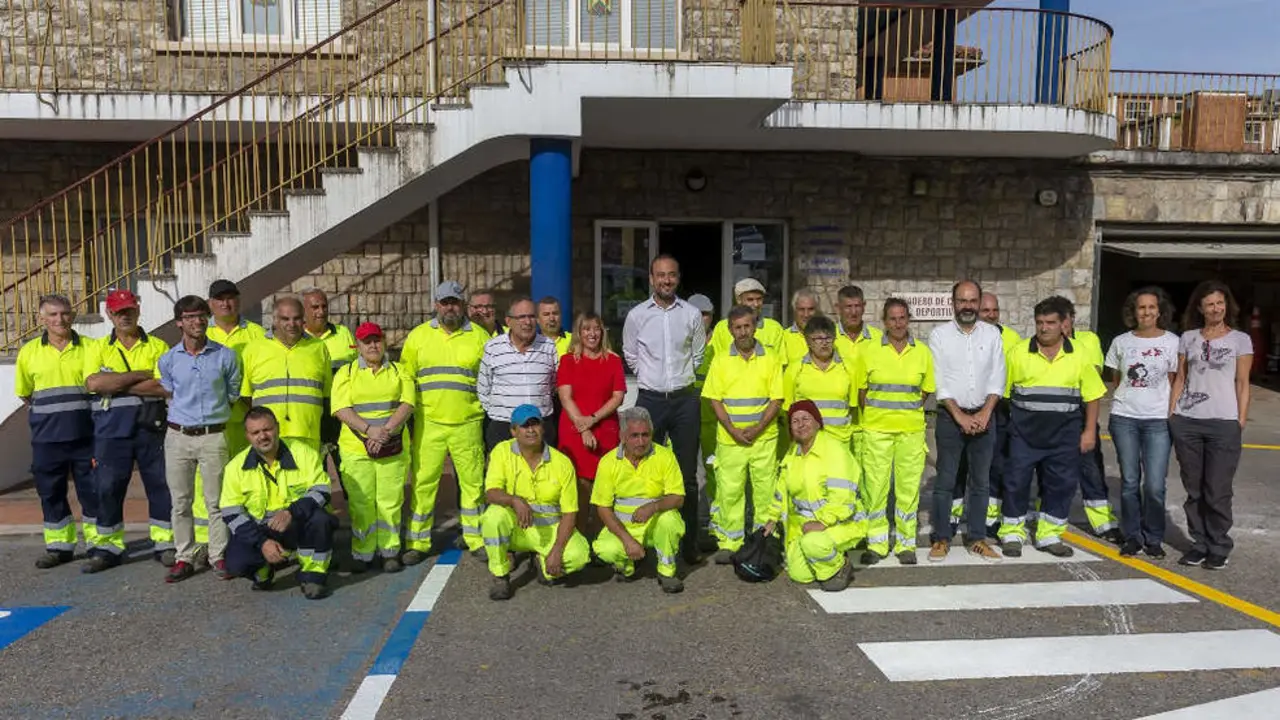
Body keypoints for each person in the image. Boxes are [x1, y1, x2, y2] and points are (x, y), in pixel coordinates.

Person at [999, 296, 1105, 558]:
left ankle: (1049, 535)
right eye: (1039, 322)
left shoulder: (1079, 354)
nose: (1044, 328)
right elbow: (1002, 394)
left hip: (1064, 436)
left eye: (1050, 322)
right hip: (1024, 434)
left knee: (1061, 484)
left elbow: (1092, 395)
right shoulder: (1018, 353)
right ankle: (1012, 534)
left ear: (1063, 325)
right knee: (1016, 482)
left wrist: (1089, 431)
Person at [81, 289, 172, 573]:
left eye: (129, 310)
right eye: (119, 312)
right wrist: (139, 375)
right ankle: (107, 548)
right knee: (107, 488)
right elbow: (94, 384)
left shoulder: (158, 346)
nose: (125, 316)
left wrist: (116, 381)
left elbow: (165, 386)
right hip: (111, 431)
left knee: (160, 486)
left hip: (151, 427)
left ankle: (165, 543)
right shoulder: (97, 348)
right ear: (110, 314)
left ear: (138, 310)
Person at [399, 281, 490, 562]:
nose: (449, 307)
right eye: (444, 302)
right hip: (429, 423)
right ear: (436, 304)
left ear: (463, 304)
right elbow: (405, 379)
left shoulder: (480, 337)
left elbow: (489, 381)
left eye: (454, 302)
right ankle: (418, 542)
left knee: (473, 484)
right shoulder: (417, 337)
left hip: (467, 422)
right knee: (424, 484)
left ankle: (475, 538)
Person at [623, 255, 705, 563]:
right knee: (646, 472)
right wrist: (649, 378)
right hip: (651, 400)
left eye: (671, 275)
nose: (666, 280)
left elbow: (697, 355)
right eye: (660, 275)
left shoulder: (692, 314)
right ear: (651, 278)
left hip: (684, 400)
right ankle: (646, 541)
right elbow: (630, 354)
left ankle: (688, 544)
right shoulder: (636, 315)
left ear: (678, 278)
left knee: (686, 476)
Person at [156, 295, 243, 582]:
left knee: (216, 500)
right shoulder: (168, 360)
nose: (198, 322)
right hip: (178, 436)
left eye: (202, 316)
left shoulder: (226, 356)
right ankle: (184, 556)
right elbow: (169, 393)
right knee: (180, 501)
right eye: (191, 317)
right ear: (179, 322)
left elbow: (232, 394)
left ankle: (218, 556)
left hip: (213, 436)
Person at [1169, 280, 1252, 570]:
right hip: (1188, 421)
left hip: (1224, 423)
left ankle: (1219, 545)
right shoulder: (1189, 338)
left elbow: (1243, 383)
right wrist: (1173, 415)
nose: (1215, 308)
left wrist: (1239, 420)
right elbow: (1180, 378)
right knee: (1194, 489)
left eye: (1220, 303)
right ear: (1200, 309)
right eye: (1209, 304)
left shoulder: (1240, 340)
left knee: (1217, 489)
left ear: (1226, 305)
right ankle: (1199, 543)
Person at [221, 407, 339, 599]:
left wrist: (291, 512)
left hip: (296, 521)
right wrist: (262, 543)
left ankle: (313, 575)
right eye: (256, 432)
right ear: (247, 436)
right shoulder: (235, 467)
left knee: (321, 520)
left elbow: (322, 490)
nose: (263, 436)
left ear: (277, 428)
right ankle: (264, 571)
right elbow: (231, 512)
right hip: (261, 529)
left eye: (267, 429)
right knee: (236, 563)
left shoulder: (303, 453)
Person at [14, 294, 96, 569]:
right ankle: (60, 546)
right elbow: (26, 394)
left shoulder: (91, 347)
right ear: (41, 318)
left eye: (64, 314)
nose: (59, 320)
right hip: (47, 439)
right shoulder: (29, 352)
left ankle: (99, 545)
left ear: (72, 315)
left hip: (87, 435)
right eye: (52, 315)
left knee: (93, 492)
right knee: (50, 493)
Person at [927, 281, 1005, 563]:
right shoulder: (939, 336)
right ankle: (941, 539)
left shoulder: (993, 335)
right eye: (962, 300)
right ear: (953, 303)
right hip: (951, 417)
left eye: (972, 300)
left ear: (979, 301)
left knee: (981, 482)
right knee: (945, 481)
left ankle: (977, 538)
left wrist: (985, 412)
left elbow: (998, 376)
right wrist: (959, 415)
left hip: (986, 415)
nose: (968, 306)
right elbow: (939, 380)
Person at [480, 405, 591, 601]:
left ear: (543, 427)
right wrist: (514, 500)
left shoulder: (562, 463)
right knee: (493, 517)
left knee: (580, 555)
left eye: (535, 424)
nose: (531, 430)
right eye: (524, 426)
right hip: (517, 529)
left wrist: (557, 550)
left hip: (550, 529)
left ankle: (544, 563)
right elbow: (491, 493)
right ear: (513, 431)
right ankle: (500, 575)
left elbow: (569, 513)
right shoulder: (501, 452)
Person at [854, 299, 934, 565]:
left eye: (902, 318)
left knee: (908, 489)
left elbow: (925, 391)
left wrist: (904, 412)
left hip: (910, 432)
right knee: (875, 489)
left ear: (908, 320)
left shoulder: (922, 352)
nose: (898, 324)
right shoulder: (869, 351)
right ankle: (876, 544)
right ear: (884, 322)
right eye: (892, 319)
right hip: (876, 431)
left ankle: (905, 543)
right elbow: (862, 392)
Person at [701, 304, 784, 563]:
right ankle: (730, 542)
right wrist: (732, 430)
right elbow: (715, 400)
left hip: (764, 439)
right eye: (738, 327)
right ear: (730, 330)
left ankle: (764, 542)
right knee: (730, 491)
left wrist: (758, 428)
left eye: (747, 325)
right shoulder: (721, 360)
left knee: (764, 492)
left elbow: (777, 398)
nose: (743, 331)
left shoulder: (770, 358)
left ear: (755, 326)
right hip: (730, 440)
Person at [331, 322, 415, 573]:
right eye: (367, 341)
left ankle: (389, 551)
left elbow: (407, 404)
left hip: (393, 447)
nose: (373, 345)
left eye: (377, 340)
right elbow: (341, 409)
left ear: (385, 341)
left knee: (390, 501)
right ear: (358, 345)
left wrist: (385, 432)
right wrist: (369, 431)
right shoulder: (345, 373)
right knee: (361, 502)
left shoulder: (400, 371)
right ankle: (363, 553)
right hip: (356, 450)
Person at [1105, 286, 1179, 559]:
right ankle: (1132, 536)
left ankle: (1154, 537)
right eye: (1141, 307)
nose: (1146, 312)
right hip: (1125, 418)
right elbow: (1117, 380)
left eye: (1151, 307)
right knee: (1129, 482)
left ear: (1160, 311)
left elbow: (1173, 382)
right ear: (1133, 312)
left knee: (1155, 485)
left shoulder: (1172, 342)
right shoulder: (1121, 342)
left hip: (1158, 420)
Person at [761, 401, 862, 590]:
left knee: (814, 544)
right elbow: (781, 490)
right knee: (799, 574)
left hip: (842, 522)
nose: (801, 424)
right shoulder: (793, 451)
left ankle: (840, 566)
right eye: (795, 421)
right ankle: (822, 557)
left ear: (817, 423)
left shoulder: (834, 450)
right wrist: (772, 518)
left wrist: (823, 523)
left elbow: (843, 498)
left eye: (806, 418)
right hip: (806, 526)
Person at [198, 279, 266, 554]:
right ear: (210, 304)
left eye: (231, 298)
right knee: (207, 482)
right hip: (209, 423)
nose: (226, 303)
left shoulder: (257, 334)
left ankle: (246, 535)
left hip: (243, 422)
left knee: (247, 478)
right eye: (219, 299)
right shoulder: (201, 332)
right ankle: (206, 541)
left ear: (239, 300)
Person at [591, 406, 686, 593]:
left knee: (670, 521)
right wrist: (627, 540)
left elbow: (678, 498)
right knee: (605, 549)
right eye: (635, 436)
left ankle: (667, 572)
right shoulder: (608, 462)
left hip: (654, 525)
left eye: (646, 435)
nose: (641, 442)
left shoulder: (665, 456)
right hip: (623, 527)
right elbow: (603, 508)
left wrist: (654, 507)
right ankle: (627, 565)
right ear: (623, 436)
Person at [953, 291, 1023, 537]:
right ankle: (954, 515)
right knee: (960, 465)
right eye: (986, 311)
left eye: (995, 311)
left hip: (1000, 409)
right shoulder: (962, 337)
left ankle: (990, 518)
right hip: (966, 407)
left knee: (995, 466)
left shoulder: (1013, 339)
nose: (991, 315)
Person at [555, 311, 626, 537]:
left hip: (605, 429)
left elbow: (618, 396)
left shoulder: (613, 360)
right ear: (579, 332)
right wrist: (583, 427)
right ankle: (577, 539)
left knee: (603, 487)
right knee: (578, 487)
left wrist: (593, 420)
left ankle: (600, 540)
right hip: (574, 431)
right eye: (586, 329)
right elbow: (565, 397)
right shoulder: (568, 361)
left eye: (596, 329)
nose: (592, 334)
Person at [1061, 300, 1120, 542]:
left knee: (1091, 469)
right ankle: (1045, 516)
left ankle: (1103, 522)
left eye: (1065, 319)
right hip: (1054, 415)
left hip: (1083, 414)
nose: (1062, 326)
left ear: (1073, 319)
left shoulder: (1088, 340)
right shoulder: (1043, 343)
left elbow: (1092, 374)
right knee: (1049, 469)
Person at [239, 297, 332, 448]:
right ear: (274, 320)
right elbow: (246, 396)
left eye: (296, 318)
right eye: (285, 319)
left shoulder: (319, 348)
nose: (292, 324)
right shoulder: (253, 349)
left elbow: (326, 395)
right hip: (268, 438)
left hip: (308, 436)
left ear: (303, 320)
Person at [478, 297, 559, 452]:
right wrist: (501, 411)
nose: (527, 322)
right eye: (521, 317)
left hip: (540, 426)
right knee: (504, 475)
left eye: (531, 316)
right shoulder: (493, 347)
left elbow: (554, 386)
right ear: (508, 321)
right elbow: (483, 388)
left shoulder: (548, 346)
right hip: (504, 427)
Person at [301, 288, 357, 475]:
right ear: (304, 311)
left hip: (343, 414)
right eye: (315, 307)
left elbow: (358, 369)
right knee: (317, 470)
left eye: (324, 306)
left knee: (349, 468)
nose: (321, 311)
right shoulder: (298, 340)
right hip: (313, 414)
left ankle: (354, 503)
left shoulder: (344, 334)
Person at [783, 316, 855, 444]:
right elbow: (788, 410)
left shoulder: (849, 367)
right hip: (806, 443)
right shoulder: (794, 369)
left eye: (828, 338)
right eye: (818, 339)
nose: (824, 343)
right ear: (808, 341)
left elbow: (853, 407)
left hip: (839, 441)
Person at [834, 285, 883, 458]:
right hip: (838, 418)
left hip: (869, 417)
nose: (853, 312)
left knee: (870, 469)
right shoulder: (828, 338)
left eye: (857, 306)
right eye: (848, 307)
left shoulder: (878, 339)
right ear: (838, 308)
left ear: (864, 306)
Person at [688, 292, 719, 549]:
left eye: (706, 313)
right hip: (687, 417)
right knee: (690, 473)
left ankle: (711, 524)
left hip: (713, 419)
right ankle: (695, 525)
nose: (701, 318)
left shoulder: (719, 342)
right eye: (697, 313)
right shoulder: (682, 339)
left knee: (713, 472)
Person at [708, 278, 786, 358]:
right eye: (750, 300)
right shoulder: (722, 328)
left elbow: (781, 362)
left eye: (759, 299)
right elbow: (716, 359)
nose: (755, 304)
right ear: (738, 300)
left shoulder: (774, 328)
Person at [782, 288, 821, 366]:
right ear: (794, 310)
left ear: (817, 310)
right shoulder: (784, 338)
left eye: (811, 309)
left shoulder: (829, 336)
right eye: (801, 309)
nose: (806, 314)